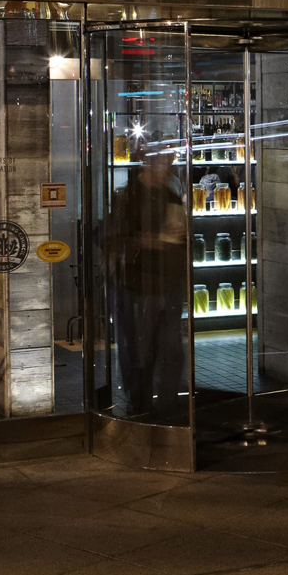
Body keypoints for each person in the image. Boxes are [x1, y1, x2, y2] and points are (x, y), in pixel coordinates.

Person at [107, 141, 186, 417]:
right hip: (139, 286)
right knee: (142, 351)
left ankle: (166, 406)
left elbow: (180, 236)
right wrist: (149, 241)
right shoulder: (127, 198)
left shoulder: (170, 197)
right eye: (167, 161)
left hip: (168, 283)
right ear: (150, 163)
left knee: (172, 351)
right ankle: (139, 405)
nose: (170, 166)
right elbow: (113, 239)